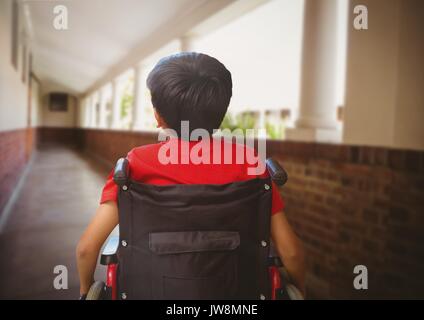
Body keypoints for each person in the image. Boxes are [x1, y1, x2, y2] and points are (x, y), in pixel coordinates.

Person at [76, 52, 305, 299]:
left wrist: (84, 289)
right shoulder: (249, 161)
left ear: (158, 116)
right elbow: (291, 252)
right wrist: (301, 290)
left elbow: (86, 249)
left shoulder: (135, 164)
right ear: (221, 112)